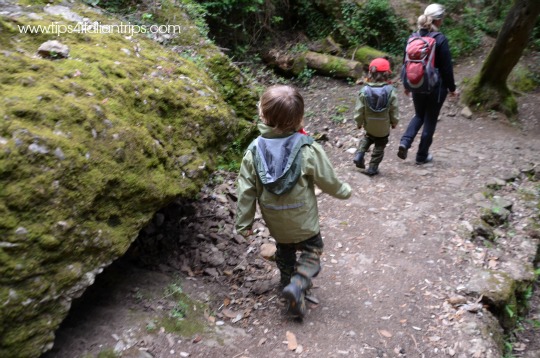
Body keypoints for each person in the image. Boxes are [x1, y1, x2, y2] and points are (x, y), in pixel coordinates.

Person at [235, 85, 352, 318]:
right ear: (300, 117)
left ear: (263, 116)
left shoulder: (253, 152)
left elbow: (246, 191)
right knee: (313, 249)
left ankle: (287, 284)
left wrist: (244, 223)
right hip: (303, 219)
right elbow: (327, 179)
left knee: (284, 250)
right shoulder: (307, 148)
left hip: (276, 221)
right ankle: (298, 285)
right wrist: (344, 191)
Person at [397, 3, 457, 164]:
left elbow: (406, 63)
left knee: (419, 115)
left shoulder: (413, 38)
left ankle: (405, 142)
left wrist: (407, 85)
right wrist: (452, 88)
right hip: (436, 87)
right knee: (430, 118)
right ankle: (422, 155)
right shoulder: (440, 39)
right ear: (438, 20)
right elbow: (446, 68)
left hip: (417, 82)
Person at [353, 57, 399, 176]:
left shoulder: (364, 90)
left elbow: (359, 109)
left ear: (370, 73)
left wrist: (359, 123)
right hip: (383, 126)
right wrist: (394, 122)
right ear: (387, 74)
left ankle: (359, 154)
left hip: (369, 125)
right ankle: (372, 167)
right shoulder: (391, 91)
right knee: (380, 144)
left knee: (368, 137)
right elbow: (394, 109)